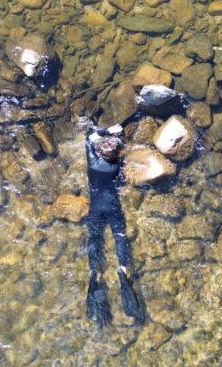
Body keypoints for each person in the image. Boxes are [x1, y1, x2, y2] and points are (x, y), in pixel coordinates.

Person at [85, 123, 141, 325]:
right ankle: (123, 268)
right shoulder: (116, 166)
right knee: (119, 236)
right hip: (113, 206)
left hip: (95, 207)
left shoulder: (92, 162)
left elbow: (89, 138)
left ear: (100, 152)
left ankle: (94, 271)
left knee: (94, 237)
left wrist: (105, 131)